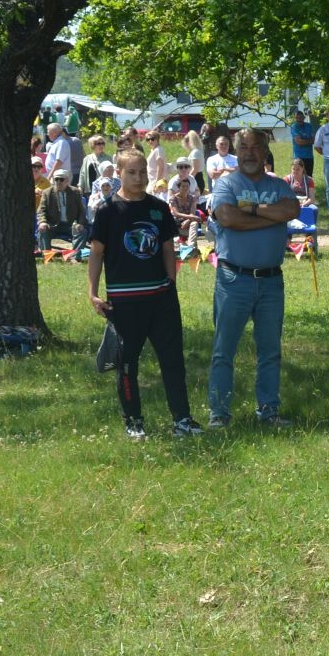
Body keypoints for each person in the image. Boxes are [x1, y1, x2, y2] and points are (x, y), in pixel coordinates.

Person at [88, 150, 204, 441]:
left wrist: (170, 283)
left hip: (160, 297)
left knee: (172, 360)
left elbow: (167, 247)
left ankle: (182, 419)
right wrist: (92, 293)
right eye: (132, 172)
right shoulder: (108, 210)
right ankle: (134, 420)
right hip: (124, 300)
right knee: (128, 363)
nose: (138, 178)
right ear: (119, 173)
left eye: (143, 172)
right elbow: (96, 253)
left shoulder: (158, 208)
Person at [207, 129, 299, 427]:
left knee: (270, 350)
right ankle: (219, 413)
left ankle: (268, 411)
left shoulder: (279, 185)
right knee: (224, 350)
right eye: (243, 147)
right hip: (234, 279)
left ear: (265, 151)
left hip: (271, 281)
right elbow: (227, 218)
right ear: (237, 151)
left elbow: (292, 209)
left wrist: (253, 209)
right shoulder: (226, 184)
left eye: (255, 147)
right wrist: (268, 217)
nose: (249, 152)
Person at [38, 167, 85, 249]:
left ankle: (75, 256)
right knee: (42, 230)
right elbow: (41, 210)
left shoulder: (75, 192)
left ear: (67, 180)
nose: (58, 182)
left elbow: (81, 211)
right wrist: (42, 222)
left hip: (71, 224)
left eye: (61, 179)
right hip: (53, 224)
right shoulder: (47, 193)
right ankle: (47, 256)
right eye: (56, 179)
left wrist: (80, 223)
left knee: (82, 231)